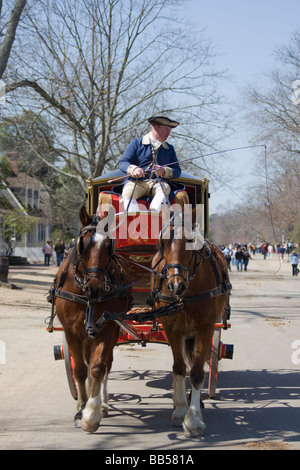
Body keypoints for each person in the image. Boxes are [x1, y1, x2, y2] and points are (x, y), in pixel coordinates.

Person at [119, 115, 181, 212]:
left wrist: (164, 171)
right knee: (128, 192)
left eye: (170, 130)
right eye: (166, 129)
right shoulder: (136, 143)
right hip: (137, 182)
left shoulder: (170, 149)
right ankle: (133, 217)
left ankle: (153, 213)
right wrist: (134, 169)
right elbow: (123, 163)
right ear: (156, 127)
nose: (169, 133)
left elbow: (177, 171)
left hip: (158, 183)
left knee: (165, 189)